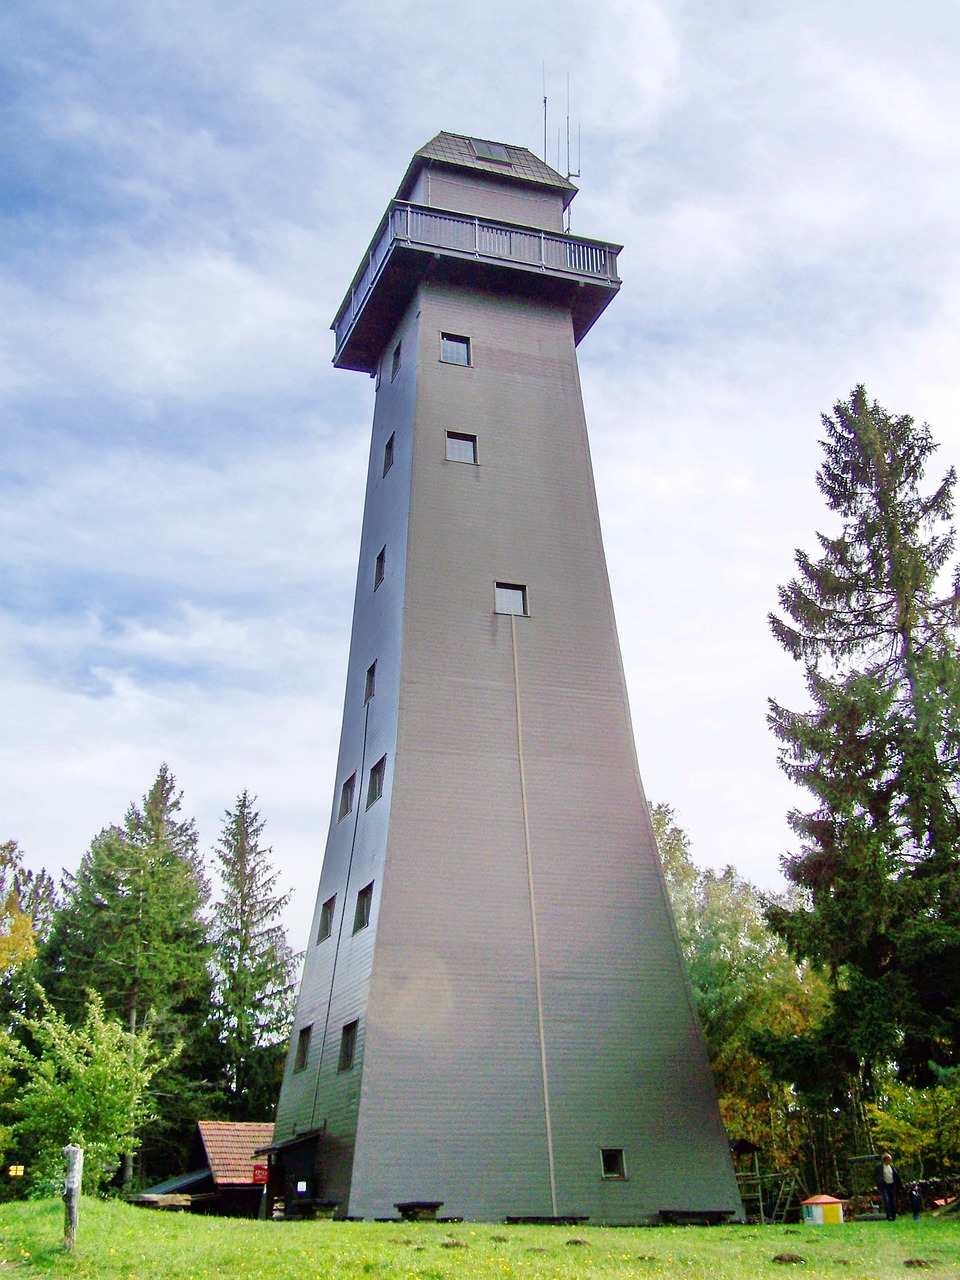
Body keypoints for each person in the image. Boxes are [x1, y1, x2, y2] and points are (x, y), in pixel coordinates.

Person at [874, 1152, 904, 1221]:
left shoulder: (892, 1167)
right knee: (886, 1200)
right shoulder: (879, 1167)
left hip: (892, 1185)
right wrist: (880, 1183)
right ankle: (889, 1215)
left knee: (892, 1201)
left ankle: (893, 1216)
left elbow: (896, 1177)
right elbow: (877, 1176)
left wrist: (899, 1186)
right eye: (889, 1159)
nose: (890, 1161)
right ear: (885, 1159)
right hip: (884, 1186)